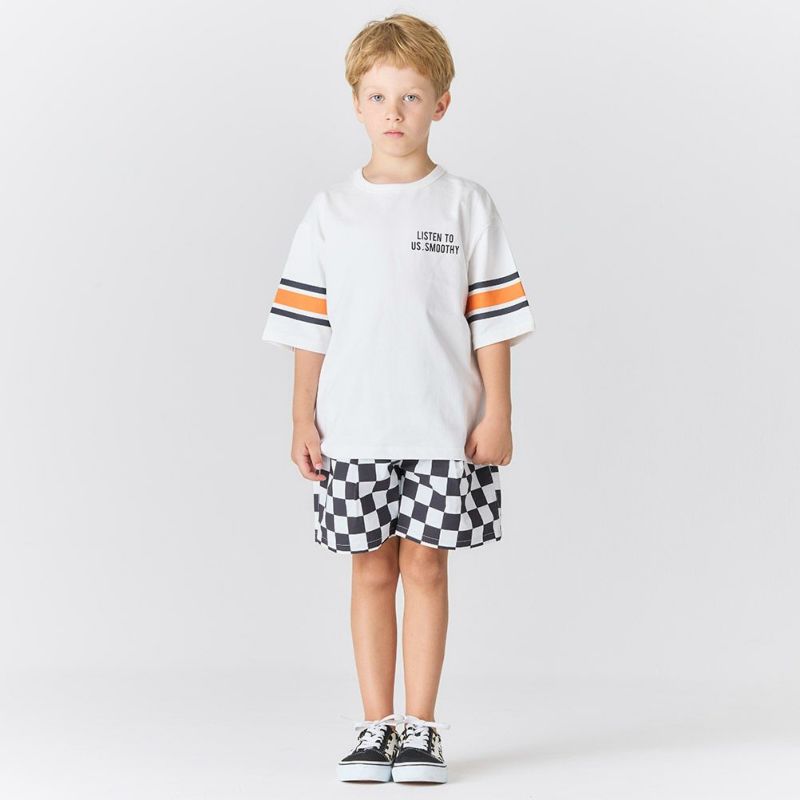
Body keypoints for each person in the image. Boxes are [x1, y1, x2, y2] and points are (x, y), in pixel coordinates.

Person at [261, 13, 536, 784]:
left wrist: (498, 411)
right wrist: (301, 417)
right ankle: (374, 724)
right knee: (370, 570)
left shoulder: (466, 206)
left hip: (444, 428)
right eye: (379, 96)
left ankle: (421, 728)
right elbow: (308, 326)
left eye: (411, 97)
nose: (394, 113)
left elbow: (492, 321)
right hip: (353, 429)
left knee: (427, 567)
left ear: (440, 104)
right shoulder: (330, 211)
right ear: (357, 104)